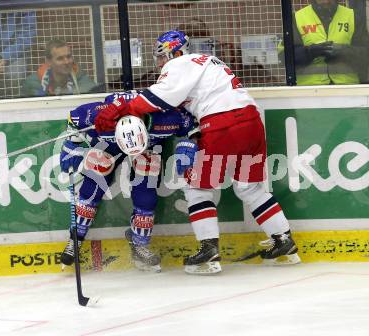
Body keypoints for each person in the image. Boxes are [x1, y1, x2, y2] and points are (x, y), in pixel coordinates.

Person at [94, 31, 301, 275]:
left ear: (176, 52)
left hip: (223, 126)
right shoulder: (210, 61)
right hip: (252, 123)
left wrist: (120, 109)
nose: (161, 63)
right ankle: (283, 241)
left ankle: (208, 251)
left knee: (197, 188)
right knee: (250, 187)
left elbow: (157, 99)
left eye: (163, 56)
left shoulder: (180, 64)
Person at [59, 91, 199, 272]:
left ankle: (140, 244)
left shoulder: (167, 117)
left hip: (148, 145)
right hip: (110, 142)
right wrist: (72, 145)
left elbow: (192, 126)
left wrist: (190, 143)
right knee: (94, 179)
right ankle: (75, 239)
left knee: (146, 193)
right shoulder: (100, 115)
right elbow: (73, 119)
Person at [286, 0, 369, 85]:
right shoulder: (296, 18)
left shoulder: (353, 17)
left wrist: (344, 51)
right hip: (309, 90)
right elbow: (284, 55)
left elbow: (365, 54)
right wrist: (309, 52)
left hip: (346, 88)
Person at [21, 39, 98, 97]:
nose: (66, 62)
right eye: (60, 58)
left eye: (68, 57)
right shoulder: (34, 83)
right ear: (49, 62)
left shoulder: (80, 78)